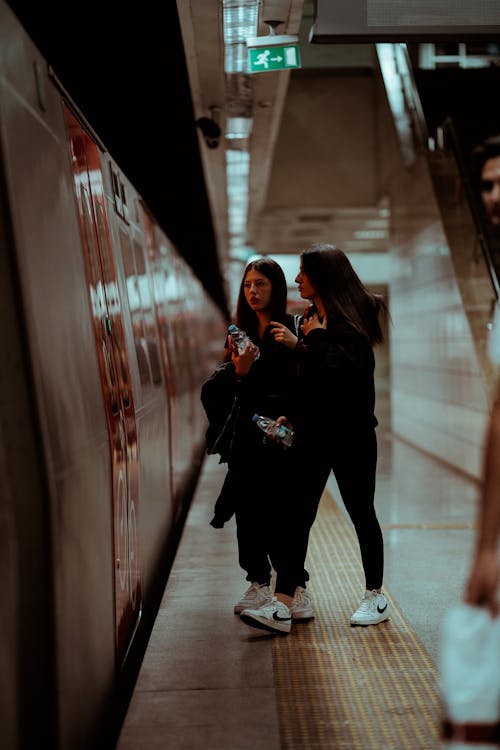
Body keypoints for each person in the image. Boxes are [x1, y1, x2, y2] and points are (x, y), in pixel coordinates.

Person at [240, 244, 390, 633]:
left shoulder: (350, 320)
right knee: (297, 516)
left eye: (303, 273)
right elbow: (313, 379)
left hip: (353, 436)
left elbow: (348, 378)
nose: (297, 280)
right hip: (314, 433)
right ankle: (284, 603)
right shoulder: (311, 317)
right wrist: (294, 411)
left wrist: (308, 344)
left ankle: (375, 595)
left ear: (322, 277)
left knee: (361, 513)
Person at [201, 257, 314, 622]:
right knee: (249, 514)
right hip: (248, 438)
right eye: (248, 284)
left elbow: (312, 380)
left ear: (276, 288)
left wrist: (298, 347)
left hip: (285, 436)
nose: (253, 291)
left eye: (261, 284)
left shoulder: (293, 328)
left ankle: (296, 589)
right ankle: (259, 584)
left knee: (285, 516)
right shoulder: (239, 335)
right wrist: (239, 371)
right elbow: (230, 390)